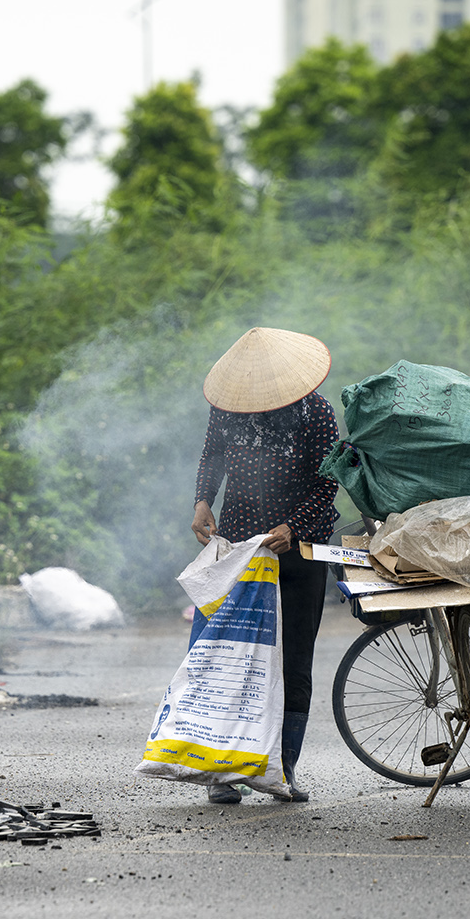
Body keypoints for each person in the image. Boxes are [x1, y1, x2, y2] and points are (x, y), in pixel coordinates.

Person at [189, 326, 339, 804]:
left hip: (297, 552)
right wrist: (202, 501)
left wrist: (294, 526)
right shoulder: (227, 410)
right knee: (230, 658)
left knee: (294, 662)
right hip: (240, 552)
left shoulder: (316, 411)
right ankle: (223, 773)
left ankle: (283, 770)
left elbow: (328, 483)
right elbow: (212, 455)